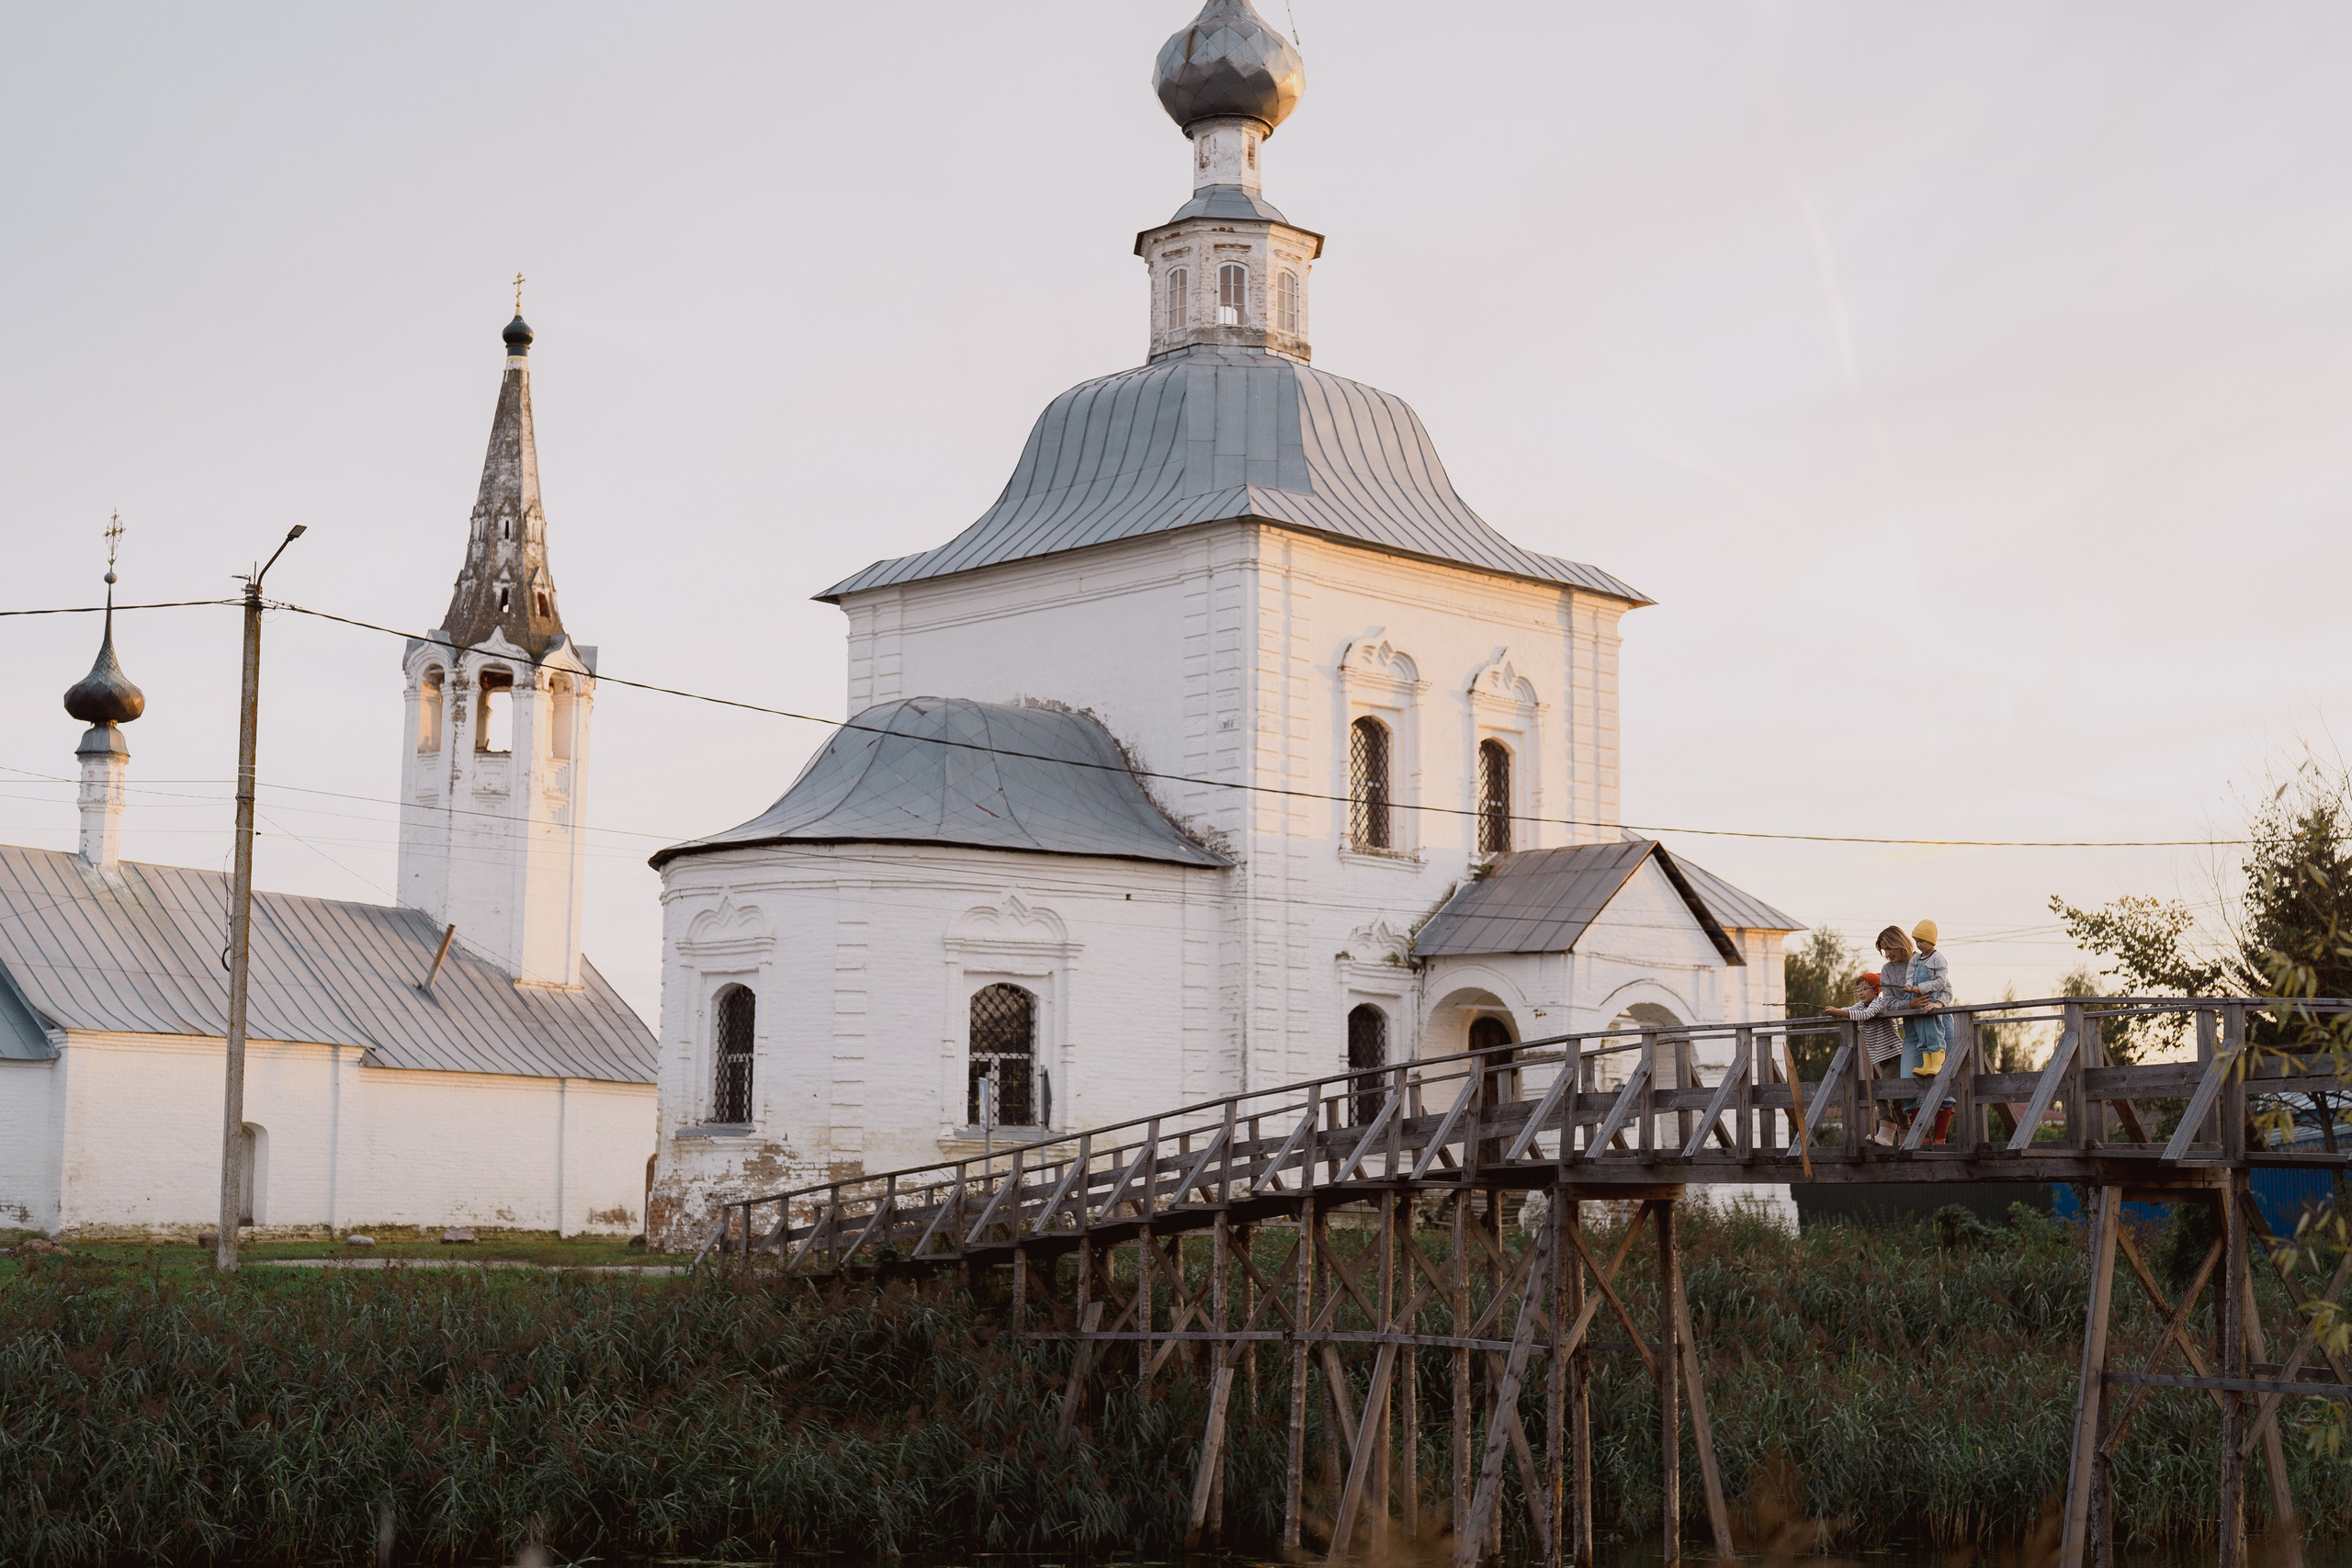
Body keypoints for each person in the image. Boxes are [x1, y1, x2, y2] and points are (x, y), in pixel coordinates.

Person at [1826, 970, 1903, 1145]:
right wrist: (1837, 1012)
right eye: (1858, 989)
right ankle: (1900, 1131)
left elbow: (1865, 1016)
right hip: (1883, 1059)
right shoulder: (1863, 1005)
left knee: (1883, 1092)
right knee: (1895, 1096)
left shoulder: (1880, 1003)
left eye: (1865, 988)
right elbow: (1851, 1010)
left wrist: (1841, 1012)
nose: (1860, 992)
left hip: (1896, 1056)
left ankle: (1888, 1131)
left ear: (1876, 990)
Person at [1905, 919, 1955, 1144]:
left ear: (1931, 941)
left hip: (1934, 1007)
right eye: (1916, 941)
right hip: (1918, 1012)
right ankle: (1927, 1061)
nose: (1918, 944)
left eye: (1922, 941)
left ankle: (1940, 1137)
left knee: (1936, 1035)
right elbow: (1910, 974)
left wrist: (1925, 993)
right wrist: (1909, 987)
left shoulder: (1938, 959)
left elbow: (1942, 984)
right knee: (1925, 1038)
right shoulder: (1916, 959)